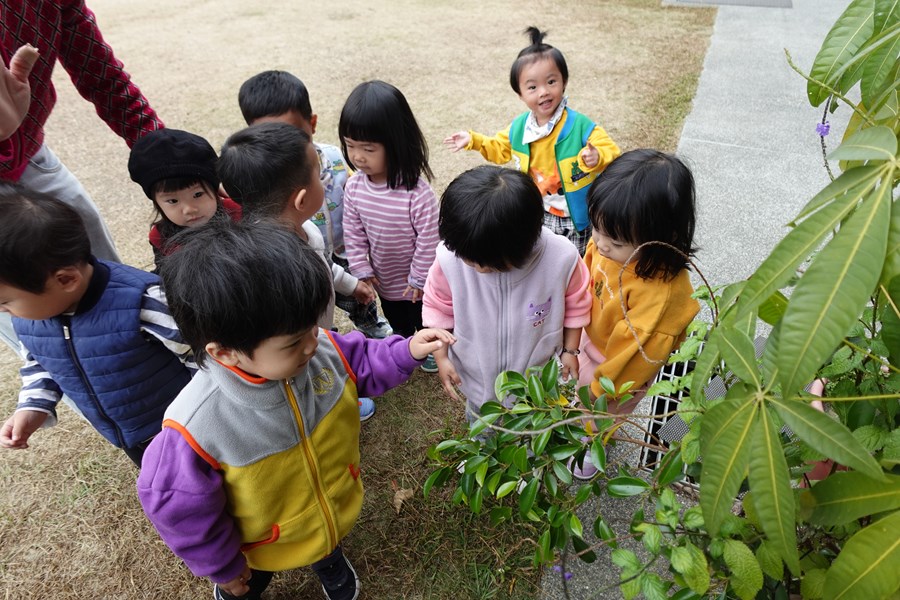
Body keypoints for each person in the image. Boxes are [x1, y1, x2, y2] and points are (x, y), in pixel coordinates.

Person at [137, 219, 454, 600]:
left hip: (325, 511)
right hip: (258, 542)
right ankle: (245, 584)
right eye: (293, 343)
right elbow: (179, 507)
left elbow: (362, 361)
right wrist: (223, 567)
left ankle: (327, 557)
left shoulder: (321, 350)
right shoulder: (197, 428)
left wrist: (406, 351)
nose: (311, 346)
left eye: (312, 329)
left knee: (323, 542)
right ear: (225, 352)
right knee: (250, 578)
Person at [1, 2, 163, 350]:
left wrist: (170, 158)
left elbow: (102, 75)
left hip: (32, 155)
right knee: (38, 331)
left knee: (118, 292)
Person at [0, 184, 194, 467]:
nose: (3, 311)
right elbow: (40, 361)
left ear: (66, 280)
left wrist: (207, 418)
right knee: (168, 489)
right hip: (131, 435)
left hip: (186, 427)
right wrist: (33, 406)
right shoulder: (32, 318)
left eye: (5, 302)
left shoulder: (142, 302)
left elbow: (201, 357)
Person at [218, 121, 379, 420]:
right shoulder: (264, 262)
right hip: (296, 345)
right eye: (318, 176)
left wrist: (350, 284)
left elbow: (324, 267)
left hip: (317, 331)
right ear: (302, 200)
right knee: (308, 380)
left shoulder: (307, 231)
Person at [422, 166, 592, 422]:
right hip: (478, 378)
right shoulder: (450, 259)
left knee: (532, 433)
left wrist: (570, 351)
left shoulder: (561, 258)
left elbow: (576, 307)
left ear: (525, 242)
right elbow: (438, 309)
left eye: (489, 263)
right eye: (471, 260)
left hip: (535, 382)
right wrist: (442, 356)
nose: (479, 269)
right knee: (484, 427)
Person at [573, 149, 700, 479]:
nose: (599, 244)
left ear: (662, 238)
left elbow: (636, 356)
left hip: (618, 368)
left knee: (601, 415)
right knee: (574, 393)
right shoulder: (610, 244)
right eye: (596, 229)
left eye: (613, 240)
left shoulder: (661, 296)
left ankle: (591, 446)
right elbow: (587, 274)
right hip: (592, 334)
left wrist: (601, 392)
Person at [237, 70, 392, 340]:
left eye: (291, 133)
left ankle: (368, 322)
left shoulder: (334, 157)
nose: (284, 146)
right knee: (316, 304)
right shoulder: (263, 180)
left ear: (312, 123)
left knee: (359, 294)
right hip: (300, 252)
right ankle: (323, 339)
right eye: (270, 136)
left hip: (344, 248)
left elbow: (357, 191)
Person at [444, 27, 621, 256]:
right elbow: (499, 149)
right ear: (520, 94)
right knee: (544, 257)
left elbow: (611, 149)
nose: (543, 92)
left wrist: (598, 156)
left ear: (564, 81)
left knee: (577, 260)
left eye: (551, 81)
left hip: (578, 216)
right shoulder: (519, 129)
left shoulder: (579, 126)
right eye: (532, 87)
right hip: (539, 211)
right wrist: (474, 140)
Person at [339, 80, 440, 371]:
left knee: (424, 315)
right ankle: (407, 346)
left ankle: (430, 346)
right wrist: (361, 269)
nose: (357, 156)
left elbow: (428, 239)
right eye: (350, 146)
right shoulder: (355, 187)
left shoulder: (416, 192)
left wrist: (419, 278)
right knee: (396, 315)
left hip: (419, 281)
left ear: (395, 142)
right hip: (385, 276)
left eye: (368, 148)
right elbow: (353, 232)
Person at [127, 128, 242, 271]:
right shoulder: (161, 238)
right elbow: (166, 276)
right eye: (172, 201)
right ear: (157, 203)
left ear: (215, 189)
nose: (189, 209)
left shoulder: (241, 213)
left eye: (198, 195)